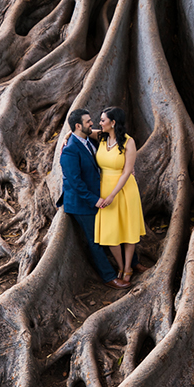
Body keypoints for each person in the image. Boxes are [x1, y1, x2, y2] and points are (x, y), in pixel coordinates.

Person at [59, 108, 125, 288]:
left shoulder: (88, 140)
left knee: (113, 229)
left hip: (99, 196)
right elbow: (74, 182)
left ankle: (130, 264)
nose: (92, 124)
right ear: (79, 125)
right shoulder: (70, 150)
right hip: (81, 203)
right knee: (95, 240)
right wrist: (94, 200)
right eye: (88, 122)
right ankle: (109, 277)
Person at [93, 107, 146, 286]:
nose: (99, 123)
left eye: (102, 120)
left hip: (124, 189)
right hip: (104, 187)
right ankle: (121, 264)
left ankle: (128, 268)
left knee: (127, 229)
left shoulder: (128, 142)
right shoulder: (101, 137)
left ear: (113, 122)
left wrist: (113, 195)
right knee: (109, 232)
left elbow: (126, 172)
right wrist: (68, 135)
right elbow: (80, 131)